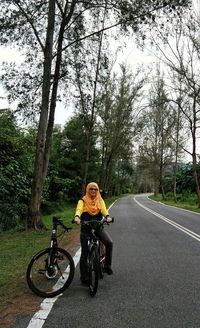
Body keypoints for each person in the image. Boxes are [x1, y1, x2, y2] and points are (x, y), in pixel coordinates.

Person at [74, 182, 113, 285]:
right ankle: (84, 276)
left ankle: (107, 266)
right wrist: (77, 217)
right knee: (85, 253)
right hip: (86, 229)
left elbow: (104, 211)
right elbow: (79, 210)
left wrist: (108, 217)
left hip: (98, 228)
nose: (93, 191)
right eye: (91, 189)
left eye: (95, 189)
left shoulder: (100, 200)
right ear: (87, 190)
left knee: (109, 242)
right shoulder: (82, 201)